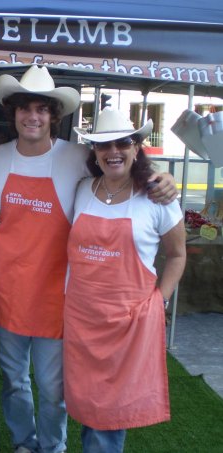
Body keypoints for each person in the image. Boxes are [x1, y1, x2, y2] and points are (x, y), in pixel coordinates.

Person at [0, 65, 178, 453]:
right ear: (14, 114)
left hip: (58, 297)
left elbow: (123, 171)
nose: (33, 116)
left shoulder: (76, 157)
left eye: (42, 108)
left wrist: (163, 176)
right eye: (25, 108)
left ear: (54, 115)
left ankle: (53, 447)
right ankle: (25, 442)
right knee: (14, 381)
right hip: (7, 293)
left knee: (54, 388)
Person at [64, 108, 186, 452]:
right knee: (88, 406)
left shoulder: (158, 198)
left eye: (122, 143)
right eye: (104, 145)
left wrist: (159, 299)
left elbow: (177, 255)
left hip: (128, 321)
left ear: (136, 148)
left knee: (109, 415)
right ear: (94, 153)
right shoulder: (82, 189)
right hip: (82, 319)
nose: (113, 151)